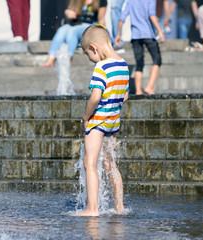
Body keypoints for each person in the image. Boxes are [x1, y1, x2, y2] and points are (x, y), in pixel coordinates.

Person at [74, 24, 129, 216]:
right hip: (113, 122)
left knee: (90, 163)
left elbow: (96, 97)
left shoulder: (101, 67)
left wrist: (85, 116)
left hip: (97, 123)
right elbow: (125, 96)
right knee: (110, 164)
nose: (92, 60)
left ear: (94, 48)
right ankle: (119, 206)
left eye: (90, 56)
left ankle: (92, 208)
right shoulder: (123, 64)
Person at [115, 0, 165, 95]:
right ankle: (149, 87)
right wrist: (160, 31)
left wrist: (118, 34)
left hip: (135, 36)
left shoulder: (131, 1)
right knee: (157, 59)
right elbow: (152, 15)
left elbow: (122, 17)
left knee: (139, 63)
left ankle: (138, 91)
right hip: (148, 34)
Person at [42, 0, 107, 67]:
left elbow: (101, 19)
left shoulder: (101, 1)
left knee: (72, 31)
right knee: (61, 30)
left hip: (90, 26)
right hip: (75, 24)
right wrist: (68, 13)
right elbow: (68, 12)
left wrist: (101, 35)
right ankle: (50, 59)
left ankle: (68, 59)